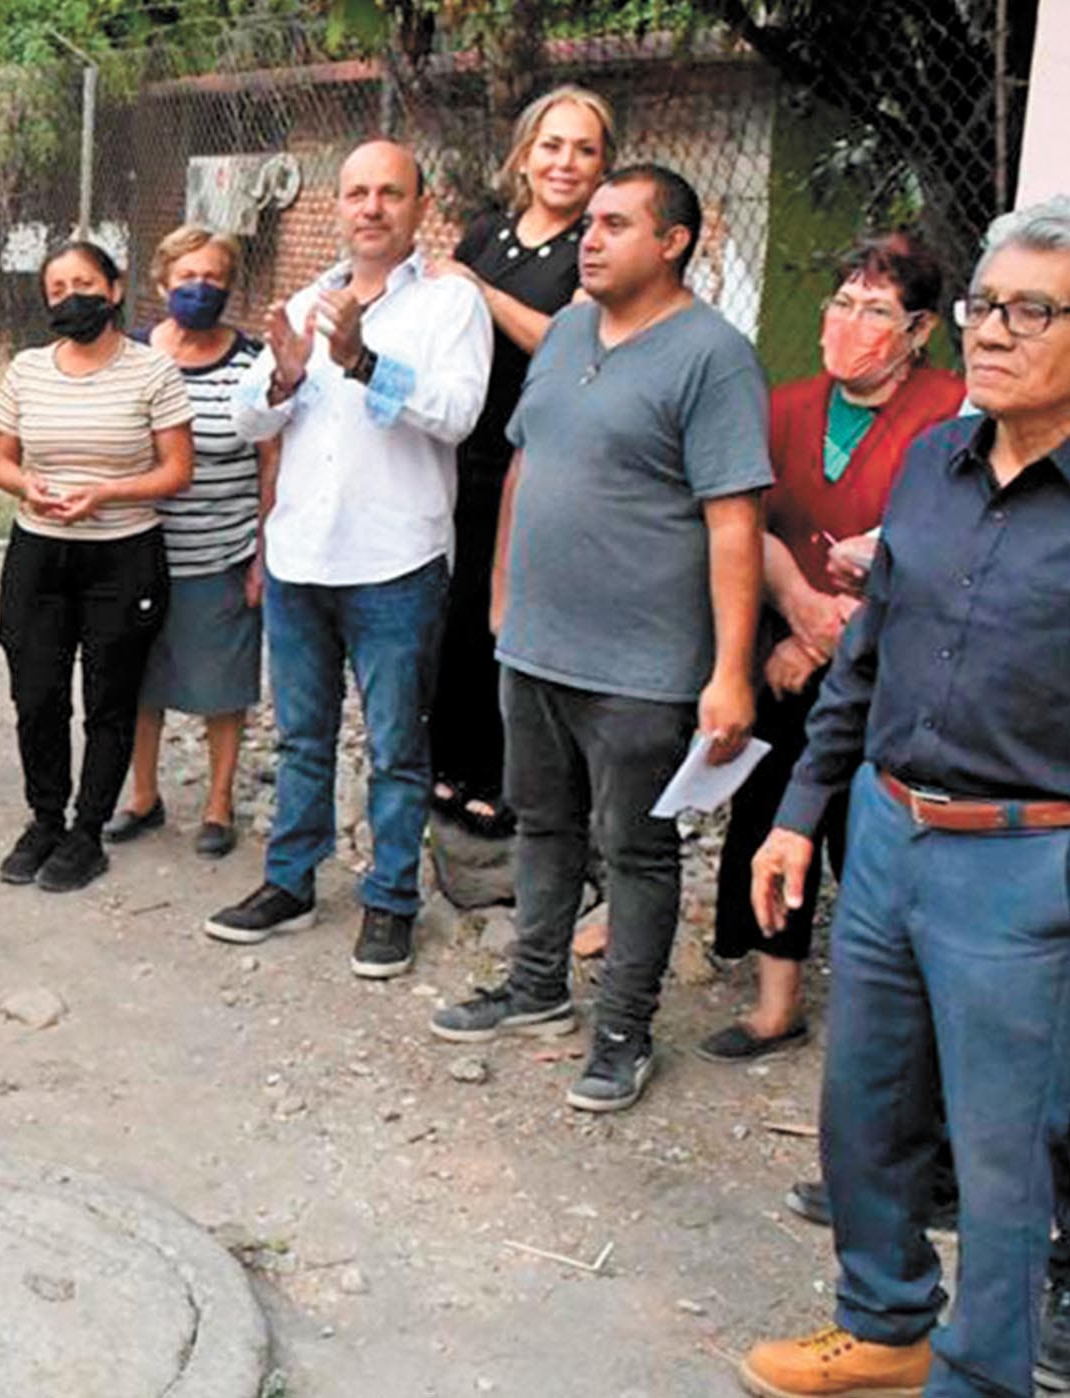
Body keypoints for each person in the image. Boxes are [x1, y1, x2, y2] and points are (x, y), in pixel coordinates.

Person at [739, 195, 1070, 1398]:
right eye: (985, 304)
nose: (993, 330)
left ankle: (981, 1376)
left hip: (1024, 862)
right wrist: (799, 812)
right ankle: (883, 1323)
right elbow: (865, 657)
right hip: (885, 833)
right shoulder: (935, 463)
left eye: (1032, 311)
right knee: (865, 1110)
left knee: (1001, 1156)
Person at [427, 164, 771, 1113]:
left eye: (616, 223)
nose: (590, 238)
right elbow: (525, 462)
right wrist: (502, 593)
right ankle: (535, 986)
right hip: (533, 641)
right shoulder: (569, 332)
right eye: (588, 223)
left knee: (637, 850)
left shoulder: (714, 357)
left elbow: (735, 520)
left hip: (642, 663)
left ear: (674, 242)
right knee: (543, 824)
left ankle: (624, 1029)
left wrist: (730, 672)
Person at [202, 139, 492, 979]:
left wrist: (364, 362)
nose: (371, 207)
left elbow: (458, 415)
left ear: (419, 206)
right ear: (337, 206)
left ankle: (391, 899)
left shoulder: (449, 305)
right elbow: (245, 421)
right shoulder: (306, 300)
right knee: (302, 738)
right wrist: (284, 380)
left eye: (389, 193)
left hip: (395, 563)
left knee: (396, 747)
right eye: (357, 192)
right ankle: (290, 881)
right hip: (302, 557)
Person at [697, 232, 964, 1064]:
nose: (852, 323)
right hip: (786, 645)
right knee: (771, 809)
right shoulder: (785, 407)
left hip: (896, 664)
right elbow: (748, 520)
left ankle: (900, 1023)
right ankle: (776, 1004)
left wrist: (821, 644)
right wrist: (799, 612)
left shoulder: (953, 412)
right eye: (843, 302)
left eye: (877, 310)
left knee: (874, 838)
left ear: (919, 330)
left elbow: (942, 542)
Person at [424, 84, 614, 842]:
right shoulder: (485, 234)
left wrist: (479, 291)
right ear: (525, 155)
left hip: (535, 457)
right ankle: (447, 757)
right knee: (457, 612)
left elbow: (564, 342)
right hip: (459, 449)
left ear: (603, 166)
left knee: (512, 618)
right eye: (552, 145)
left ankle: (509, 777)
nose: (566, 162)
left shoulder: (594, 248)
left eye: (584, 150)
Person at [0, 240, 196, 892]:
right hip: (39, 552)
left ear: (114, 288)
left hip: (124, 554)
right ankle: (45, 819)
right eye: (57, 289)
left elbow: (177, 470)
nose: (70, 298)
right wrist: (28, 487)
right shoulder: (28, 369)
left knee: (109, 697)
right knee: (36, 694)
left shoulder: (153, 372)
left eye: (83, 284)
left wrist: (106, 493)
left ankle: (87, 831)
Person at [101, 225, 269, 860]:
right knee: (139, 681)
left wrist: (262, 552)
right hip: (138, 549)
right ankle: (143, 797)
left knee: (222, 685)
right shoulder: (133, 355)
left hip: (221, 551)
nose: (201, 288)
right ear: (162, 281)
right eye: (188, 276)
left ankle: (218, 805)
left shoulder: (252, 364)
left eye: (214, 277)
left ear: (231, 285)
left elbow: (271, 460)